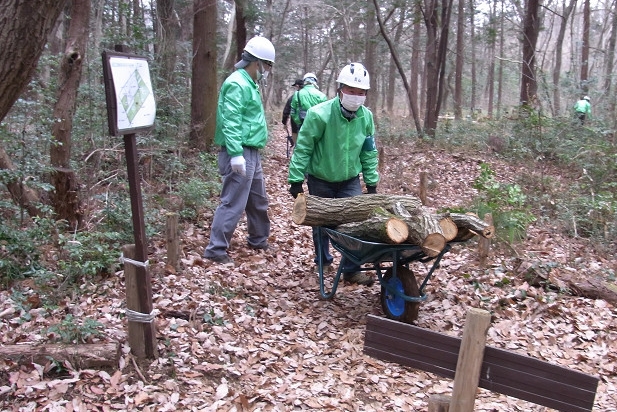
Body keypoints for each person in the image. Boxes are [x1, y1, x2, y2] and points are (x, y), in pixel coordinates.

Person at [287, 63, 379, 286]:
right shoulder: (320, 115)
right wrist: (296, 179)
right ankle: (323, 261)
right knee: (322, 224)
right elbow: (304, 147)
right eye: (351, 91)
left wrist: (371, 182)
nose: (355, 96)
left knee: (355, 225)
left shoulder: (365, 117)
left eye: (360, 93)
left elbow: (368, 152)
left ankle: (351, 269)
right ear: (340, 90)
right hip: (321, 178)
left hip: (349, 180)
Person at [203, 36, 275, 265]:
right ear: (257, 63)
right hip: (240, 151)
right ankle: (216, 249)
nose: (267, 71)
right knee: (233, 201)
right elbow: (230, 121)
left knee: (257, 199)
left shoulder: (249, 83)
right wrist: (235, 154)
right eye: (267, 66)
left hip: (251, 151)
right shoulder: (237, 83)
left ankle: (258, 239)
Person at [282, 79, 304, 145]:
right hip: (308, 121)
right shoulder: (311, 96)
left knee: (296, 141)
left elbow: (286, 111)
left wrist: (284, 122)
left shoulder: (293, 97)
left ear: (297, 86)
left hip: (295, 122)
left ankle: (296, 150)